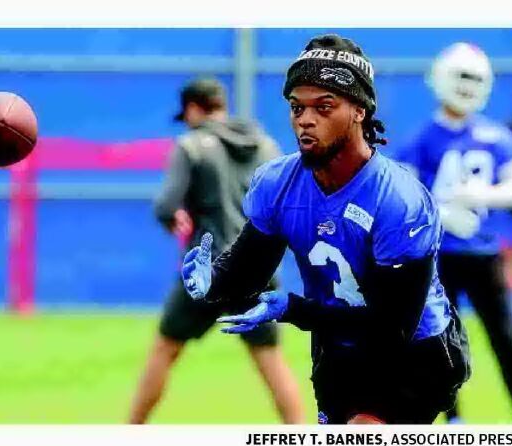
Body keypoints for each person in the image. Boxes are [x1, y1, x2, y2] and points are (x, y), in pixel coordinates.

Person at [181, 34, 471, 425]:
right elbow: (250, 268)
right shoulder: (278, 183)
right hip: (337, 350)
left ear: (359, 111)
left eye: (324, 106)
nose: (306, 119)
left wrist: (293, 308)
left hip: (414, 353)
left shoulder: (398, 200)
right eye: (297, 107)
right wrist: (213, 282)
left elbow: (392, 328)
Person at [129, 78, 305, 424]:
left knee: (166, 350)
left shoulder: (191, 145)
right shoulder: (267, 146)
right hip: (257, 268)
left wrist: (173, 219)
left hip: (207, 270)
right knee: (269, 357)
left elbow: (166, 205)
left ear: (194, 108)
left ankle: (129, 430)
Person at [394, 43, 512, 424]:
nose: (467, 86)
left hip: (485, 253)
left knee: (506, 338)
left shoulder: (497, 138)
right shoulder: (422, 138)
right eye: (461, 76)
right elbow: (400, 196)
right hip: (438, 257)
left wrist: (485, 195)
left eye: (475, 78)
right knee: (439, 340)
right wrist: (440, 213)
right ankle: (452, 420)